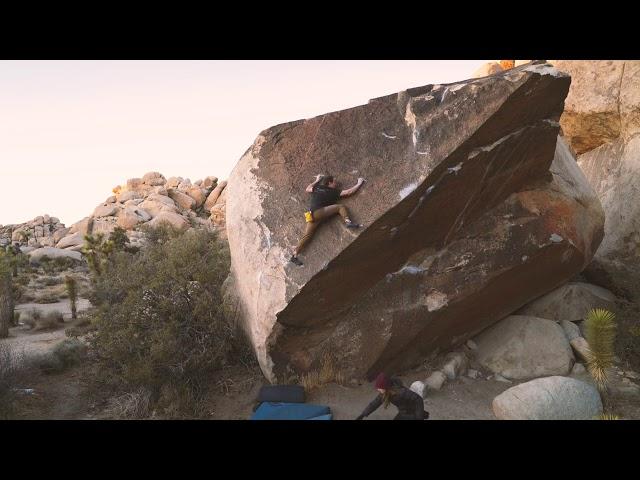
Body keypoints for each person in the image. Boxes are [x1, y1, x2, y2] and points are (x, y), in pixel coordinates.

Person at [290, 174, 365, 266]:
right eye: (334, 182)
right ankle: (348, 222)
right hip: (319, 212)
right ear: (329, 182)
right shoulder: (332, 191)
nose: (336, 184)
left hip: (311, 215)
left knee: (307, 235)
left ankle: (295, 255)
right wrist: (359, 183)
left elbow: (308, 188)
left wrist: (317, 180)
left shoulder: (317, 188)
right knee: (340, 207)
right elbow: (349, 192)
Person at [356, 373, 429, 420]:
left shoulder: (401, 392)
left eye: (379, 387)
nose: (378, 389)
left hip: (413, 413)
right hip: (404, 412)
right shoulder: (385, 393)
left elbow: (418, 399)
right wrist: (363, 414)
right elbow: (375, 403)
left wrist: (419, 416)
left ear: (385, 386)